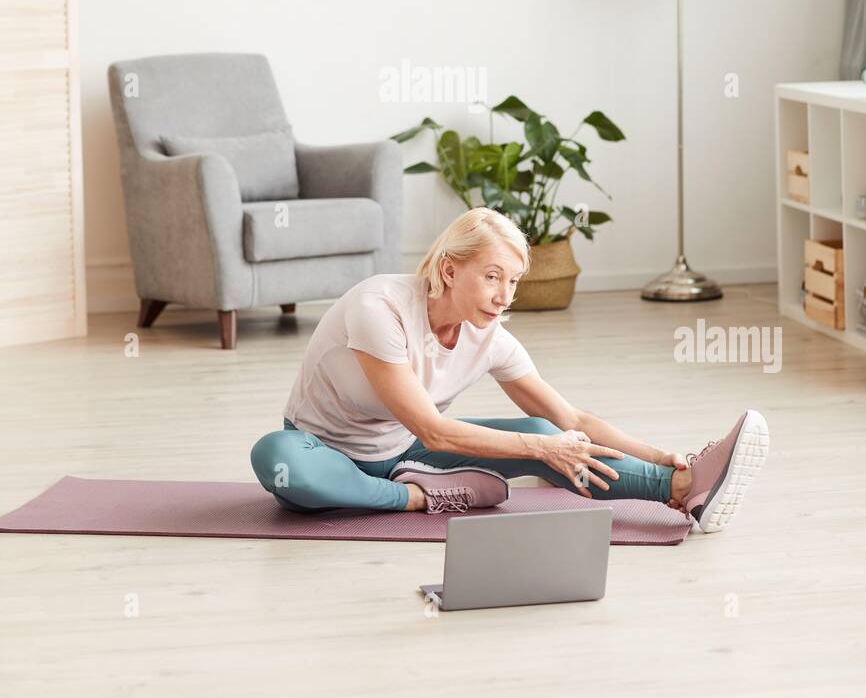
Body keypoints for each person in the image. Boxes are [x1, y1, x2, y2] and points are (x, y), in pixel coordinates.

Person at [250, 207, 769, 533]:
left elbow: (572, 418)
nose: (504, 297)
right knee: (278, 460)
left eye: (514, 281)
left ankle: (682, 489)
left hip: (404, 452)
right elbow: (429, 426)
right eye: (492, 276)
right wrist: (542, 448)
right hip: (325, 450)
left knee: (547, 431)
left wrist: (660, 455)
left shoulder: (491, 337)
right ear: (450, 271)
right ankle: (416, 497)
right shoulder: (378, 309)